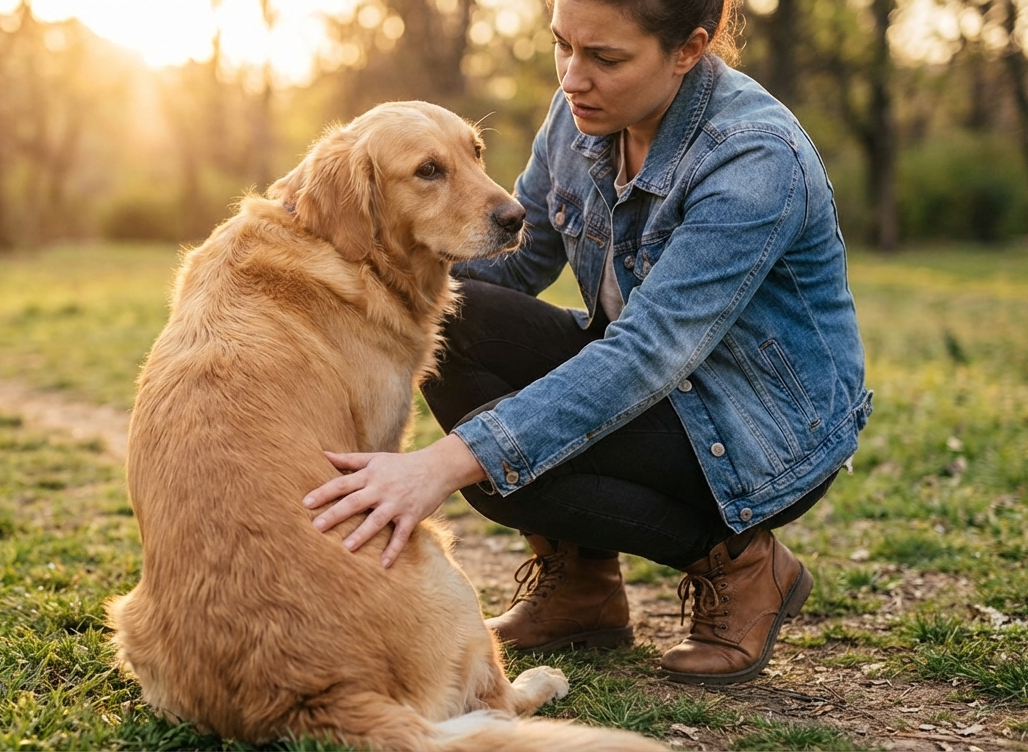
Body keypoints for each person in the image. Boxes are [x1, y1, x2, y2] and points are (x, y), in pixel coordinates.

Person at [302, 0, 871, 685]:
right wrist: (333, 247)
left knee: (497, 473)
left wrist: (445, 463)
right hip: (652, 384)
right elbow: (513, 263)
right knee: (456, 319)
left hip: (758, 433)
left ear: (688, 50)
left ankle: (746, 566)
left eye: (605, 58)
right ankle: (584, 591)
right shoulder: (581, 115)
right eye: (562, 46)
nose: (573, 77)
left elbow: (646, 354)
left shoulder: (754, 158)